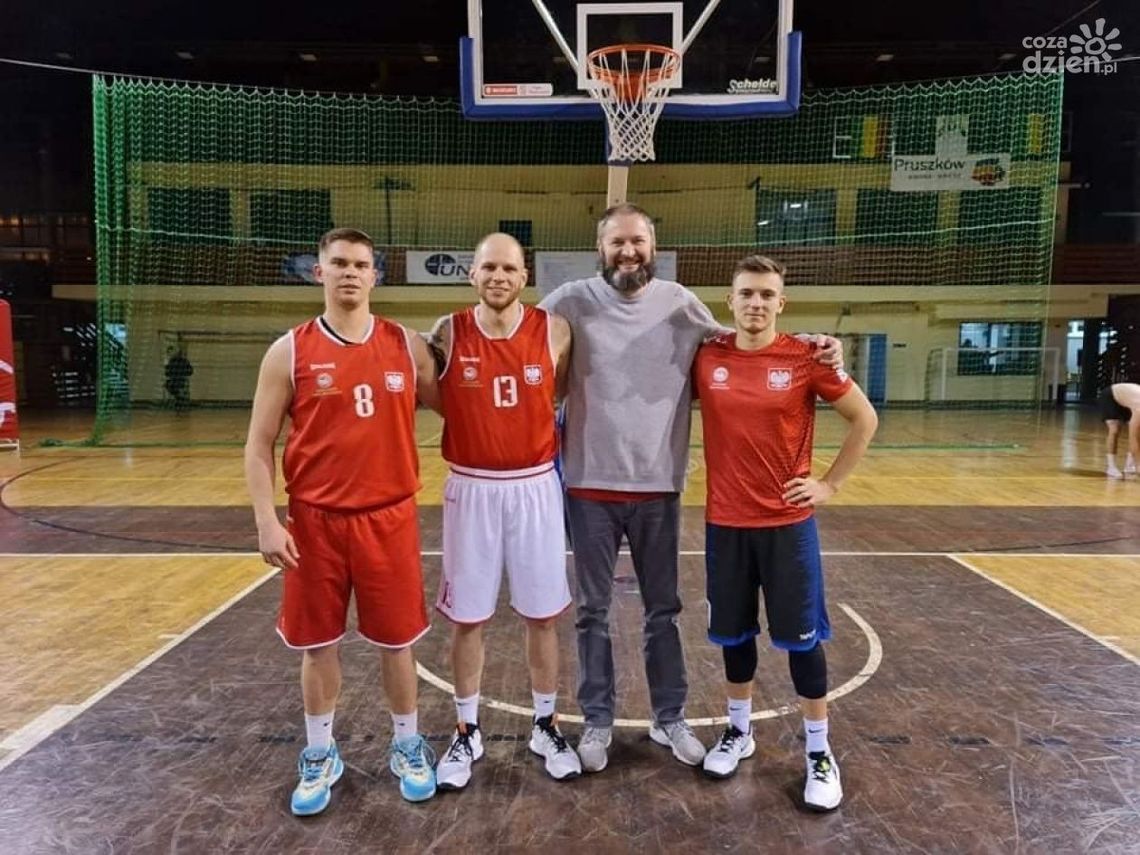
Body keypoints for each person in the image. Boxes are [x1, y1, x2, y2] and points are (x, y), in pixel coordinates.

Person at [538, 203, 843, 773]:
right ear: (600, 248)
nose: (628, 251)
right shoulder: (569, 301)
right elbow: (515, 338)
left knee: (663, 611)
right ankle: (597, 721)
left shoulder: (681, 304)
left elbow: (744, 342)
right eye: (617, 242)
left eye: (638, 241)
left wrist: (811, 346)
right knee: (592, 612)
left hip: (658, 486)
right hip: (588, 486)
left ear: (653, 247)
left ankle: (669, 717)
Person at [244, 227, 441, 814]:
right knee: (317, 644)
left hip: (389, 517)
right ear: (319, 272)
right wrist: (266, 520)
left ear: (375, 275)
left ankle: (407, 744)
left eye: (360, 264)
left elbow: (461, 404)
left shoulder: (407, 345)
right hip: (315, 522)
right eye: (339, 263)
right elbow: (258, 444)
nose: (350, 272)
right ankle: (319, 751)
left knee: (397, 643)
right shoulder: (289, 351)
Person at [693, 254, 878, 811]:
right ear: (729, 301)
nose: (757, 303)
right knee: (734, 637)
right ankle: (738, 731)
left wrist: (829, 484)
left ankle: (819, 753)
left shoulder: (807, 357)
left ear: (782, 302)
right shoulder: (707, 355)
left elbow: (864, 418)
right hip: (726, 523)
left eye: (767, 294)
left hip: (787, 526)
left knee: (803, 642)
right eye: (747, 293)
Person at [427, 233, 581, 787]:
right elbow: (436, 397)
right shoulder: (447, 332)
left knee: (543, 615)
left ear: (524, 277)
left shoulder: (554, 330)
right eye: (488, 267)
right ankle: (466, 730)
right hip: (471, 487)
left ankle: (545, 724)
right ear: (472, 274)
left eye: (509, 268)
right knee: (468, 618)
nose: (498, 276)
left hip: (535, 486)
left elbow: (559, 394)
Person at [1100, 381, 1140, 479]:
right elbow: (1133, 438)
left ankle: (1129, 466)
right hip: (1111, 396)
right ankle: (1111, 467)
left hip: (1127, 400)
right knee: (1115, 429)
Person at [164, 346, 193, 411]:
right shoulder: (184, 361)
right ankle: (180, 398)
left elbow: (167, 373)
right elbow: (190, 371)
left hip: (178, 380)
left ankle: (179, 399)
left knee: (170, 385)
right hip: (180, 380)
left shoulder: (173, 361)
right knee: (172, 386)